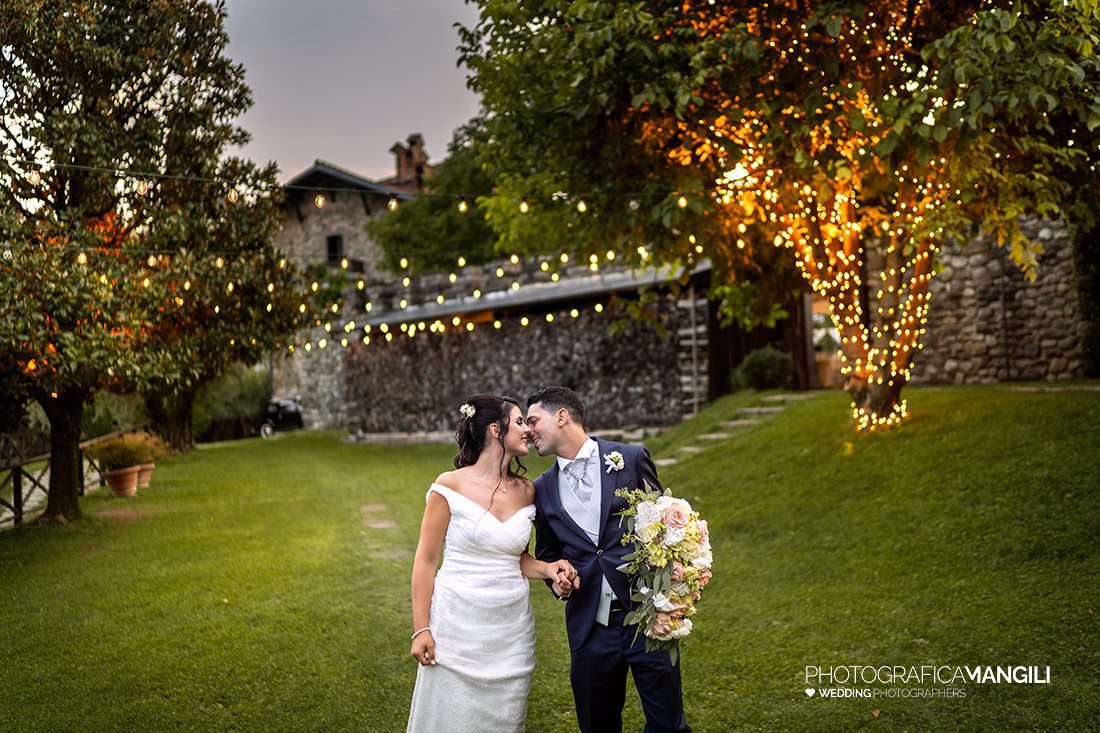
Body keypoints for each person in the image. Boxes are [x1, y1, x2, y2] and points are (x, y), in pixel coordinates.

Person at [407, 393, 577, 733]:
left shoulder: (528, 491)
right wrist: (421, 628)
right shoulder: (449, 486)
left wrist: (549, 568)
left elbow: (517, 558)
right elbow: (426, 560)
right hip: (457, 626)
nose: (527, 430)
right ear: (496, 430)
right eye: (519, 423)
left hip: (510, 633)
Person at [525, 386, 690, 733]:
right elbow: (548, 555)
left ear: (562, 416)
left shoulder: (629, 458)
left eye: (533, 420)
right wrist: (559, 582)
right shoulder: (541, 489)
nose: (528, 431)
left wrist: (670, 595)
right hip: (590, 628)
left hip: (647, 621)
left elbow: (662, 525)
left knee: (668, 726)